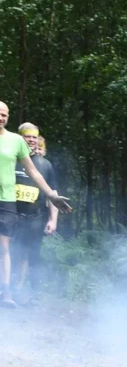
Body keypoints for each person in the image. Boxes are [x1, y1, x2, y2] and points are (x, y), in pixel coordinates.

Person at [0, 102, 71, 307]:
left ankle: (12, 292)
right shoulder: (14, 148)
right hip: (14, 210)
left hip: (24, 213)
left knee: (20, 253)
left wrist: (52, 213)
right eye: (27, 136)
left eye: (5, 114)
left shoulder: (41, 162)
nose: (31, 140)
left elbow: (42, 181)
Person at [12, 122, 59, 300]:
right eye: (27, 136)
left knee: (33, 256)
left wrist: (53, 220)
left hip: (35, 218)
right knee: (10, 254)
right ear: (20, 137)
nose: (31, 140)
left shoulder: (45, 165)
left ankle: (33, 294)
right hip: (11, 217)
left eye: (34, 137)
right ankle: (10, 290)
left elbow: (53, 195)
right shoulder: (10, 160)